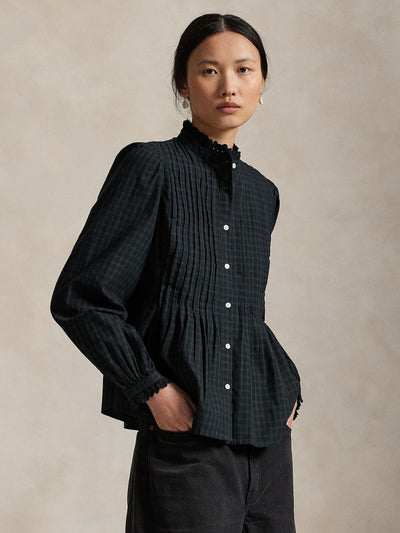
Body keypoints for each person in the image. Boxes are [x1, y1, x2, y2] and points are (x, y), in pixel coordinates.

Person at [50, 12, 303, 533]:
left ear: (262, 84)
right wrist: (151, 388)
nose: (229, 86)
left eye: (245, 70)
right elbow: (82, 297)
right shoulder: (151, 167)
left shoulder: (263, 194)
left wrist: (288, 384)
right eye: (209, 70)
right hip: (187, 444)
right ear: (183, 85)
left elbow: (240, 310)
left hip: (268, 443)